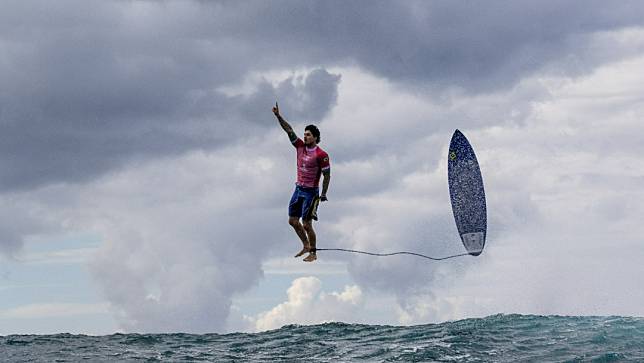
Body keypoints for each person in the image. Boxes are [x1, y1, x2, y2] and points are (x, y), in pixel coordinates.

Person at [272, 102, 331, 262]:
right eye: (305, 134)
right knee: (292, 221)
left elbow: (327, 175)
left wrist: (323, 194)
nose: (305, 137)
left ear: (316, 138)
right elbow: (289, 130)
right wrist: (278, 116)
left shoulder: (321, 154)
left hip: (311, 193)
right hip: (298, 189)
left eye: (309, 135)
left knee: (306, 223)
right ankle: (305, 245)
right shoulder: (299, 146)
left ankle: (313, 252)